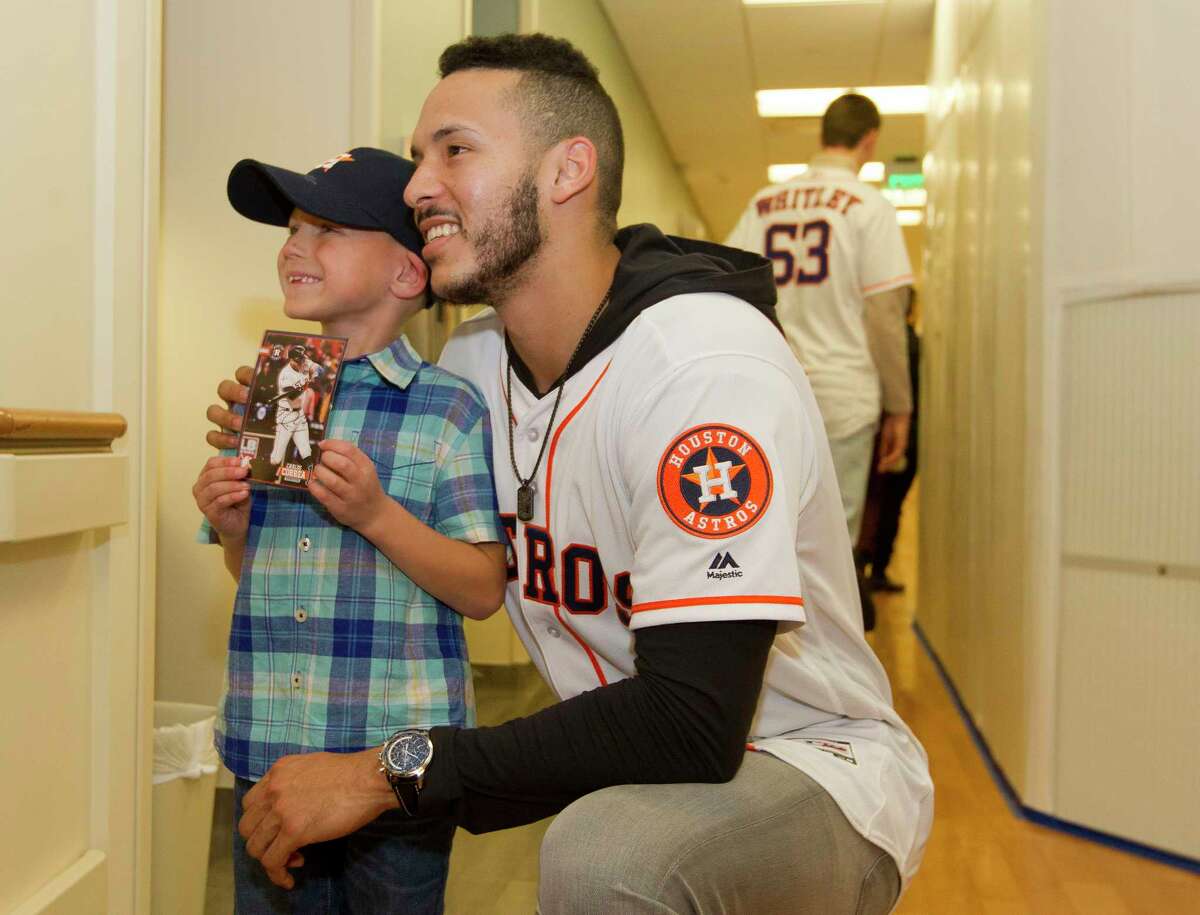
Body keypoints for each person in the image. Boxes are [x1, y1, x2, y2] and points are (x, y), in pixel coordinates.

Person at [207, 35, 932, 914]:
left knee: (602, 857)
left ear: (567, 171)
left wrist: (386, 771)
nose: (416, 186)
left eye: (455, 149)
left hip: (809, 764)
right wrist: (274, 467)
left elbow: (692, 723)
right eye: (416, 157)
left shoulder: (703, 368)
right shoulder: (472, 365)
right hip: (637, 764)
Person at [192, 146, 508, 913]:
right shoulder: (272, 393)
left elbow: (482, 588)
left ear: (406, 274)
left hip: (390, 771)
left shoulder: (448, 408)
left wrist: (375, 514)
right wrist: (233, 527)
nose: (294, 246)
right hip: (270, 747)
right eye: (292, 228)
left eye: (325, 228)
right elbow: (259, 571)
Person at [724, 93, 914, 550]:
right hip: (843, 396)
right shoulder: (869, 206)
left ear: (823, 135)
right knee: (831, 544)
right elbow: (886, 316)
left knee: (771, 535)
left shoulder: (764, 203)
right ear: (869, 140)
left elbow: (729, 286)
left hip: (774, 391)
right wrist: (900, 406)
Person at [267, 344, 322, 480]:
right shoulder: (285, 375)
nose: (301, 362)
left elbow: (319, 368)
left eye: (302, 359)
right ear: (291, 360)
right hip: (286, 415)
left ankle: (311, 480)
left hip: (299, 414)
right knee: (276, 457)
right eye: (298, 360)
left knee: (306, 450)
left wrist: (313, 374)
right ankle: (268, 478)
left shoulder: (303, 363)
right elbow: (292, 396)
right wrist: (303, 385)